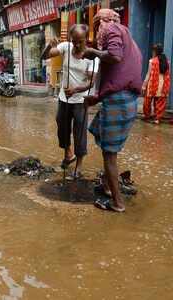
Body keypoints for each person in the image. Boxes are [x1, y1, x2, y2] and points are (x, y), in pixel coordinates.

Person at [83, 9, 143, 212]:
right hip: (126, 100)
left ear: (103, 21)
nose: (97, 30)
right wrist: (97, 98)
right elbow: (118, 77)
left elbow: (114, 57)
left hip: (118, 101)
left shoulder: (112, 28)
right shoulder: (132, 42)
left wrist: (94, 53)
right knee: (97, 129)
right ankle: (108, 185)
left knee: (109, 154)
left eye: (97, 25)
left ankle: (117, 203)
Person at [43, 24, 99, 178]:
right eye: (74, 41)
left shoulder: (92, 57)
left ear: (86, 39)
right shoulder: (66, 47)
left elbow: (91, 83)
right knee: (62, 126)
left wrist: (76, 90)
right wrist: (49, 45)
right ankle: (68, 154)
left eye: (80, 41)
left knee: (79, 133)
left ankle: (79, 166)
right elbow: (45, 56)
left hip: (81, 100)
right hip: (64, 98)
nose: (76, 45)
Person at [142, 44, 171, 124]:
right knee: (160, 102)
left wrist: (144, 86)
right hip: (163, 85)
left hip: (153, 85)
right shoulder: (167, 61)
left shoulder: (152, 61)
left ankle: (147, 115)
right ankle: (157, 119)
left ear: (155, 51)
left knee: (147, 101)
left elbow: (148, 74)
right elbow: (167, 74)